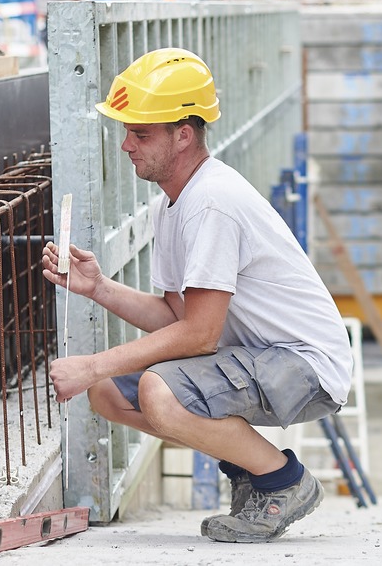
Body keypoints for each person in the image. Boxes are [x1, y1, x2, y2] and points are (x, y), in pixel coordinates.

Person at [42, 47, 352, 543]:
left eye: (140, 133)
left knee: (157, 391)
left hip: (304, 365)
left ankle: (283, 481)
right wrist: (97, 287)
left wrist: (93, 362)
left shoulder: (212, 202)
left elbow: (201, 335)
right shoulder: (176, 201)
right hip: (258, 357)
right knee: (107, 394)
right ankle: (251, 475)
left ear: (183, 134)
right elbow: (176, 318)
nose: (126, 145)